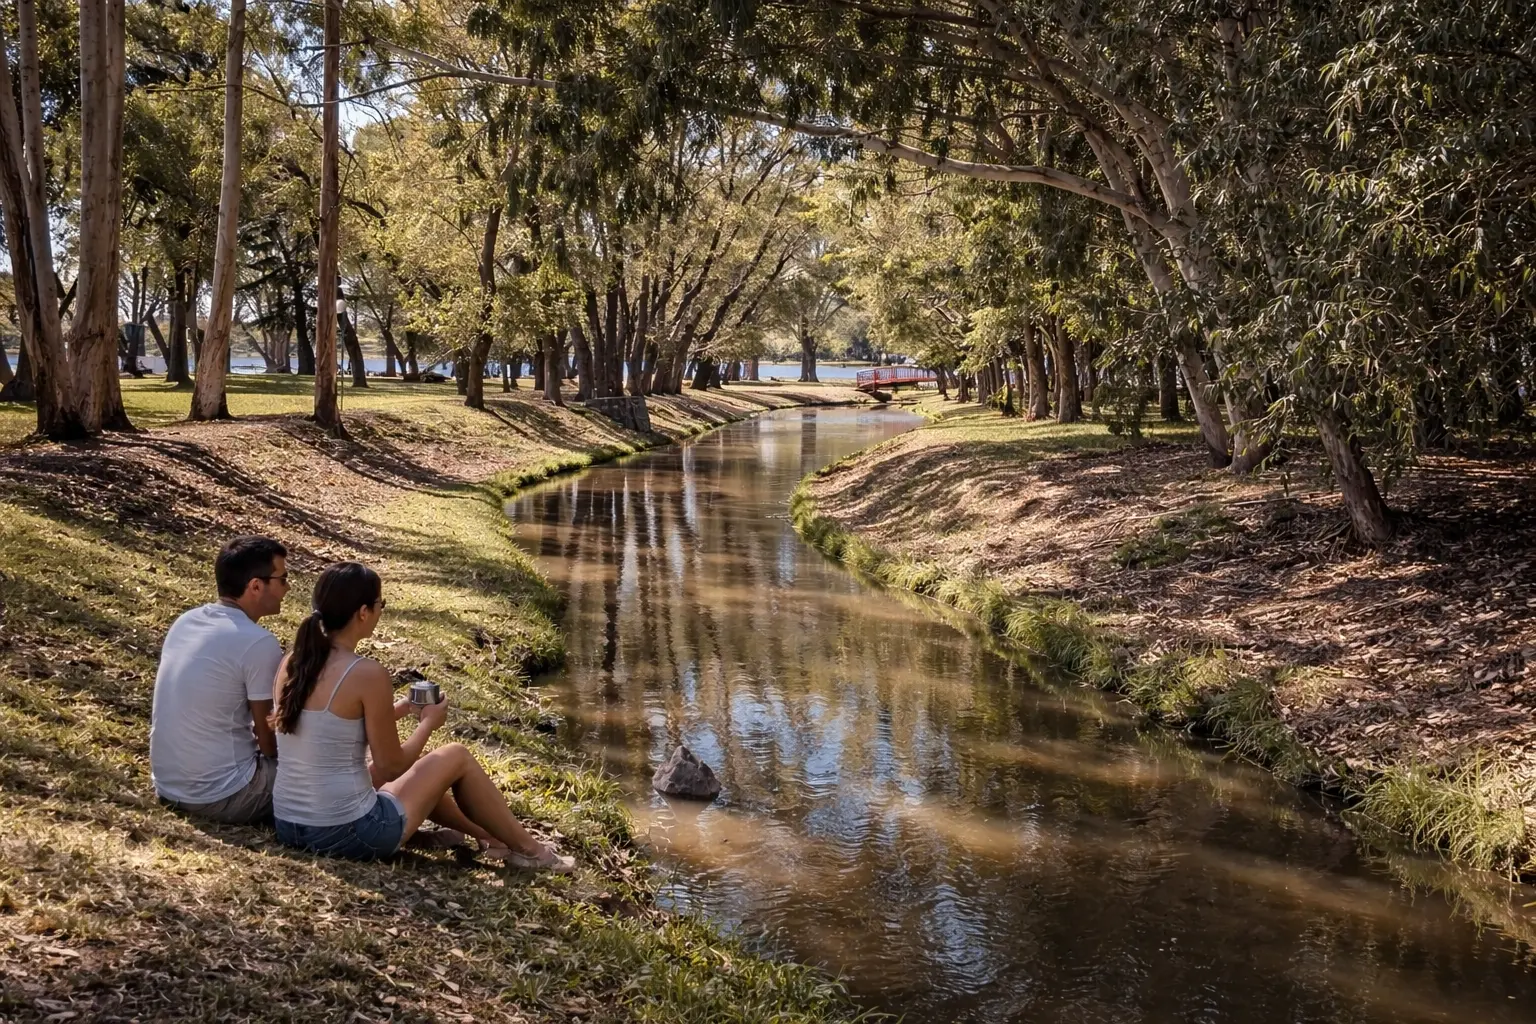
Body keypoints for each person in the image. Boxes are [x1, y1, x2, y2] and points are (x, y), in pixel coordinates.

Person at [270, 561, 574, 870]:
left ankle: (491, 838)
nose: (380, 611)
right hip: (350, 834)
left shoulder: (292, 662)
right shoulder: (366, 673)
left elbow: (328, 728)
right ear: (363, 612)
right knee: (455, 756)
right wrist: (429, 724)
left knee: (422, 769)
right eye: (380, 604)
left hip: (289, 824)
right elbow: (391, 767)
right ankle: (530, 851)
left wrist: (402, 708)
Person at [150, 536, 289, 824]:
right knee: (324, 773)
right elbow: (269, 742)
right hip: (223, 795)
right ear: (255, 585)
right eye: (283, 578)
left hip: (168, 786)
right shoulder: (258, 643)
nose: (287, 588)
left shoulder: (186, 621)